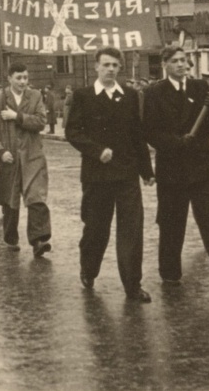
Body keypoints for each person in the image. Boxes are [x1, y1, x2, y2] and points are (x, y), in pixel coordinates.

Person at [141, 46, 209, 294]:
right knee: (171, 221)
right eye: (175, 61)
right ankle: (169, 272)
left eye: (184, 61)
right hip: (172, 167)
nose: (181, 65)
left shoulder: (201, 88)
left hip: (202, 166)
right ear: (165, 65)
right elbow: (150, 131)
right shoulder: (154, 92)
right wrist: (176, 143)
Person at [65, 47, 155, 302]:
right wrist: (96, 151)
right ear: (96, 67)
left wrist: (146, 172)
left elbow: (137, 136)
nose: (111, 69)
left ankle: (132, 285)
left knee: (131, 230)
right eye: (106, 65)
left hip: (126, 174)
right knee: (96, 229)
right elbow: (73, 132)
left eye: (115, 65)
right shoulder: (84, 96)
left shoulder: (129, 95)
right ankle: (89, 269)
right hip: (97, 176)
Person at [0, 62, 51, 257]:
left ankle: (39, 240)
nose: (23, 82)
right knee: (10, 201)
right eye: (19, 78)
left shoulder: (35, 96)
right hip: (9, 159)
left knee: (36, 198)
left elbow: (41, 121)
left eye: (25, 78)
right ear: (9, 79)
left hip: (32, 156)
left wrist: (17, 116)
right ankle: (11, 237)